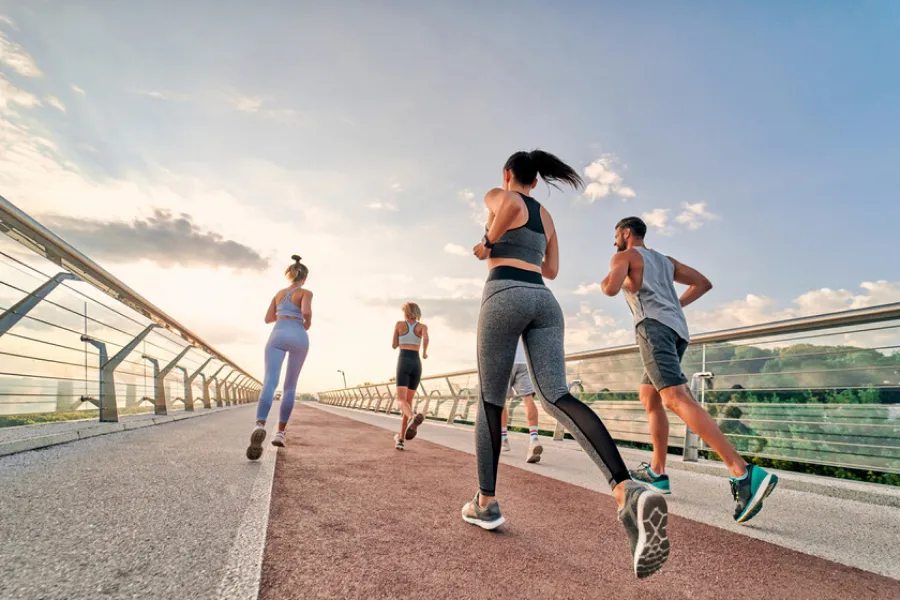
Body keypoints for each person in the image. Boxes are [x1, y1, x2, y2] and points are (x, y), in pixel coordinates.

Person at [462, 150, 669, 579]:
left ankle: (485, 503)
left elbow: (499, 220)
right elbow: (552, 269)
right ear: (537, 181)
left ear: (508, 175)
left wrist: (486, 243)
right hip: (545, 301)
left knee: (489, 401)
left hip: (504, 294)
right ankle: (626, 489)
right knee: (556, 395)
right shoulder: (548, 217)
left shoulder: (501, 195)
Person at [600, 216, 778, 523]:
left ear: (626, 233)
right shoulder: (665, 261)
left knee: (675, 398)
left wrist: (615, 274)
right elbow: (703, 283)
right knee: (650, 397)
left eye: (616, 234)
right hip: (677, 330)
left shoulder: (624, 255)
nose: (614, 239)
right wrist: (675, 305)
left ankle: (743, 472)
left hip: (652, 329)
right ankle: (657, 471)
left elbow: (610, 289)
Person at [246, 255, 312, 459]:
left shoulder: (278, 293)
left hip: (278, 333)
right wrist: (306, 323)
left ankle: (259, 424)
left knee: (269, 382)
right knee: (290, 386)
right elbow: (306, 312)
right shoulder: (306, 292)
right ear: (305, 277)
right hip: (298, 334)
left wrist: (282, 311)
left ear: (289, 276)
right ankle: (281, 433)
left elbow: (268, 319)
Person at [391, 302, 429, 450]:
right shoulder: (422, 327)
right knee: (408, 403)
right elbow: (426, 338)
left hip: (404, 360)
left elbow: (394, 345)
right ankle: (401, 438)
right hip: (417, 363)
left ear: (405, 313)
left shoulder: (399, 324)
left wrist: (400, 336)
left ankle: (412, 417)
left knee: (401, 400)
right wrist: (425, 351)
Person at [500, 338, 543, 464]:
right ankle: (534, 438)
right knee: (528, 399)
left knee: (500, 401)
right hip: (524, 362)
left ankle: (503, 439)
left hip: (505, 360)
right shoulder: (525, 317)